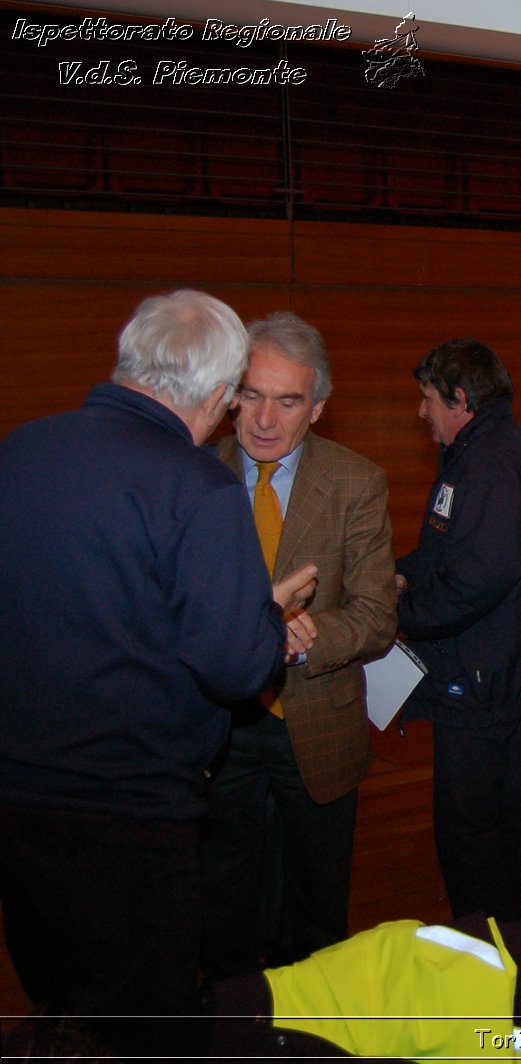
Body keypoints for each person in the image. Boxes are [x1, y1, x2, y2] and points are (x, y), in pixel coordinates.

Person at [0, 289, 315, 1056]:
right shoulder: (197, 486)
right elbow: (237, 667)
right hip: (132, 815)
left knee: (59, 1005)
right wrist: (265, 615)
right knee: (147, 1026)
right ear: (216, 394)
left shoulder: (18, 450)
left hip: (18, 801)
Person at [202, 312, 398, 976]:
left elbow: (376, 615)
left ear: (316, 409)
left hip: (315, 722)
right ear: (229, 394)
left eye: (286, 400)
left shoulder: (356, 483)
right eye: (251, 394)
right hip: (219, 725)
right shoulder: (195, 475)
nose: (263, 416)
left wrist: (302, 637)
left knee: (316, 910)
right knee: (224, 904)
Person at [396, 338, 521, 921]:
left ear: (460, 399)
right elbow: (451, 554)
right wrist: (400, 576)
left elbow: (477, 578)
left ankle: (490, 971)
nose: (421, 412)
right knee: (501, 829)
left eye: (427, 399)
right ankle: (511, 953)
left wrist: (396, 615)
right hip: (491, 679)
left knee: (477, 842)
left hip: (478, 685)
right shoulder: (486, 450)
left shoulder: (489, 462)